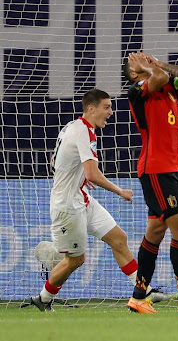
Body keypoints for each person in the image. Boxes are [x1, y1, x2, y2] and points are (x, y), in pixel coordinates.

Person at [24, 89, 169, 311]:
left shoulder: (72, 127)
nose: (110, 112)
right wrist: (119, 191)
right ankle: (42, 299)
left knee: (119, 238)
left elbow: (55, 160)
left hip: (82, 198)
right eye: (106, 107)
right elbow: (92, 173)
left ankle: (143, 291)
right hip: (67, 206)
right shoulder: (84, 133)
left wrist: (79, 176)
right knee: (76, 261)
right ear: (91, 109)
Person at [123, 52, 178, 314]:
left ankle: (139, 297)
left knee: (155, 231)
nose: (150, 62)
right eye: (140, 63)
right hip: (156, 169)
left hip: (172, 169)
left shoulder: (169, 88)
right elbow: (159, 77)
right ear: (134, 74)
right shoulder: (138, 90)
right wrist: (150, 69)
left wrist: (158, 64)